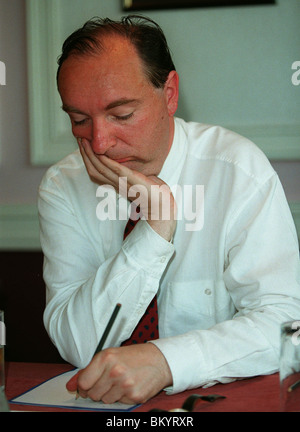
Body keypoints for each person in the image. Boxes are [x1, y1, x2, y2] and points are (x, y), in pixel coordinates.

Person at [38, 15, 300, 405]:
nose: (99, 142)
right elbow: (78, 344)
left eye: (121, 115)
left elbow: (285, 324)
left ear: (170, 93)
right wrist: (155, 227)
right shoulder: (63, 186)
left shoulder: (238, 170)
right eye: (78, 120)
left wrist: (165, 361)